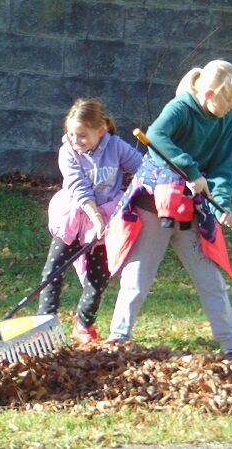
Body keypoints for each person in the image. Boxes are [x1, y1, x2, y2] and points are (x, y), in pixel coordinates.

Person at [105, 60, 232, 357]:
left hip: (191, 212)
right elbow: (156, 136)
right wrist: (191, 170)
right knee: (137, 278)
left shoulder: (227, 123)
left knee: (211, 280)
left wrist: (222, 205)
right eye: (228, 98)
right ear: (209, 94)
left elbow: (223, 169)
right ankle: (118, 340)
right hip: (153, 207)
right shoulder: (181, 108)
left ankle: (230, 346)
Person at [38, 98, 143, 344]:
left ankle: (84, 324)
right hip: (75, 217)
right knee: (54, 270)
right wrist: (94, 217)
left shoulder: (115, 146)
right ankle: (44, 324)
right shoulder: (68, 151)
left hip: (107, 219)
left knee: (99, 277)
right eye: (71, 134)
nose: (75, 140)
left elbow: (142, 168)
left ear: (101, 130)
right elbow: (79, 187)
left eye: (82, 135)